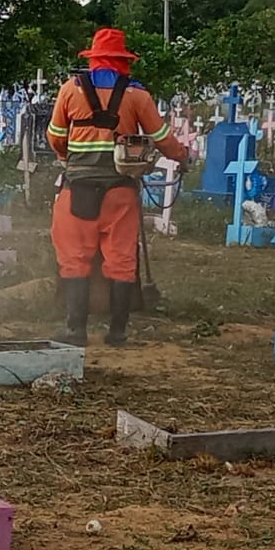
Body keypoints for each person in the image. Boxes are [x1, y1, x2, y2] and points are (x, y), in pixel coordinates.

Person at [46, 28, 186, 347]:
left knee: (74, 259)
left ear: (93, 59)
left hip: (76, 191)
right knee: (121, 260)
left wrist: (67, 157)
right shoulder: (138, 96)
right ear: (123, 61)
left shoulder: (70, 89)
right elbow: (163, 139)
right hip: (121, 192)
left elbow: (55, 135)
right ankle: (118, 332)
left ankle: (75, 330)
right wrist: (182, 157)